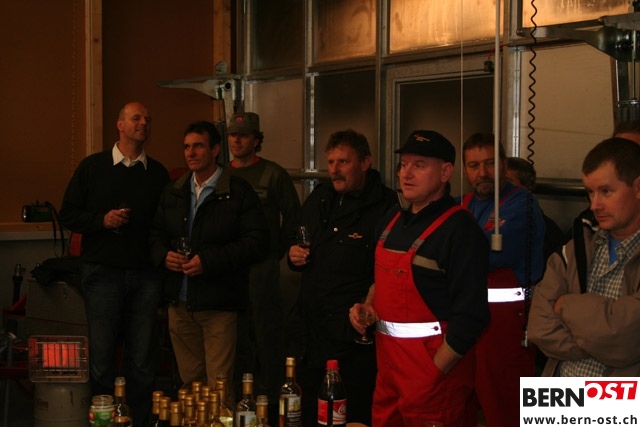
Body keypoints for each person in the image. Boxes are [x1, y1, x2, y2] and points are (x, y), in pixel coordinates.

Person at [349, 130, 490, 426]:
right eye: (404, 165)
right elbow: (380, 280)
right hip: (388, 372)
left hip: (434, 380)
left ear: (445, 172)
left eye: (419, 165)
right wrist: (368, 304)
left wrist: (433, 373)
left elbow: (472, 316)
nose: (407, 173)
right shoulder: (390, 220)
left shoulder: (460, 230)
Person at [59, 101, 169, 426]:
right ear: (120, 125)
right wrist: (101, 220)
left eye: (148, 119)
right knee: (102, 358)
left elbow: (165, 224)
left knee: (143, 358)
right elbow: (68, 214)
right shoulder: (93, 167)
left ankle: (140, 420)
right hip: (102, 272)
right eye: (136, 118)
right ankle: (104, 420)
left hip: (146, 275)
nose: (143, 123)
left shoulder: (158, 174)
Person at [149, 120, 268, 399]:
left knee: (219, 388)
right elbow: (154, 235)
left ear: (215, 150)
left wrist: (209, 261)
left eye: (198, 146)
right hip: (180, 303)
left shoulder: (237, 191)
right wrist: (163, 256)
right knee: (190, 387)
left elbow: (257, 243)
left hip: (219, 304)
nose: (190, 153)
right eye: (186, 147)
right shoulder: (174, 190)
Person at [287, 129, 397, 426]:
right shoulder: (320, 197)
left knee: (350, 415)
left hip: (351, 338)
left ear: (365, 163)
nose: (335, 169)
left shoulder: (386, 207)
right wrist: (293, 255)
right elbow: (297, 239)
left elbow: (388, 273)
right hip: (309, 333)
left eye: (344, 162)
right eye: (331, 162)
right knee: (308, 412)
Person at [528, 138, 640, 376]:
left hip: (621, 396)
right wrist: (601, 342)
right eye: (590, 192)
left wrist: (565, 305)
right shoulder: (573, 250)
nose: (595, 205)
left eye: (606, 191)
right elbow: (539, 328)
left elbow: (626, 339)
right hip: (559, 393)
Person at [459, 133, 546, 427]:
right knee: (461, 405)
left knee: (506, 408)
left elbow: (486, 256)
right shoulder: (463, 204)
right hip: (468, 322)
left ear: (504, 165)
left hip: (506, 326)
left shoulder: (522, 204)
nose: (482, 173)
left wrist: (451, 251)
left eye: (489, 163)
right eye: (473, 165)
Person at [225, 112, 301, 418]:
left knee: (267, 334)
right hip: (228, 268)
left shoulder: (272, 174)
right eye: (232, 135)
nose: (237, 140)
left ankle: (269, 401)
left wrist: (275, 252)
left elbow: (293, 217)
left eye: (243, 135)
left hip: (261, 268)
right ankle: (237, 398)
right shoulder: (222, 174)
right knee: (233, 336)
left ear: (257, 140)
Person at [505, 157, 567, 261]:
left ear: (528, 187)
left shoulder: (548, 232)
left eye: (507, 183)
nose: (500, 190)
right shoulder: (487, 222)